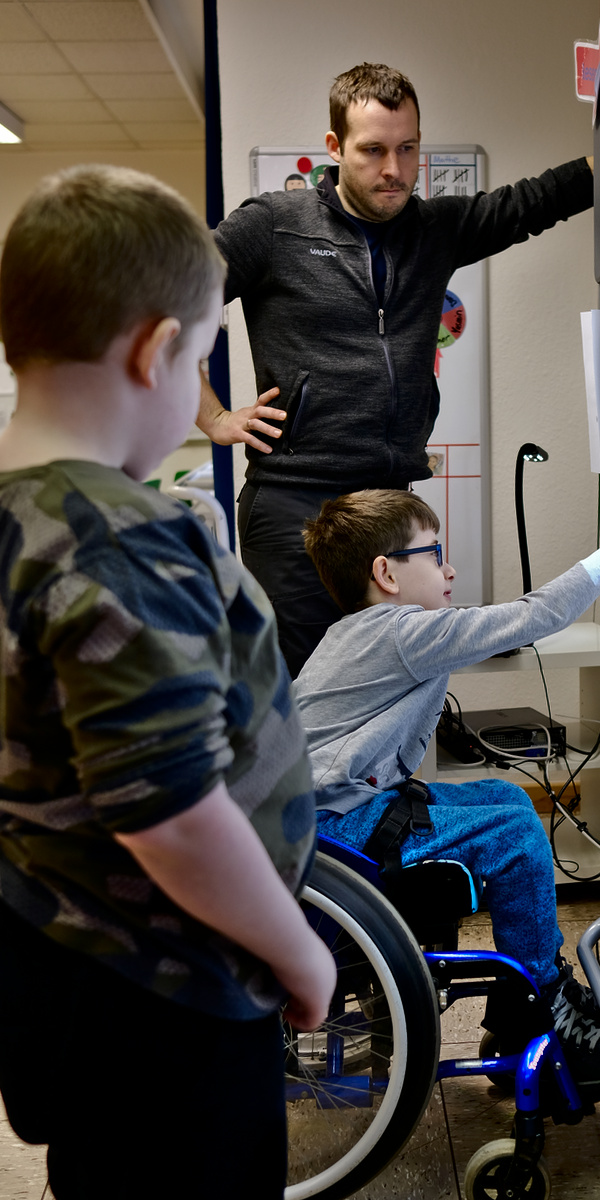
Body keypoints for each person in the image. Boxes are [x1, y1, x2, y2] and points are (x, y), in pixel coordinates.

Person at [0, 165, 336, 1200]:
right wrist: (302, 956)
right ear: (156, 350)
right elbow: (172, 816)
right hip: (165, 992)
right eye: (198, 361)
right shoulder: (121, 542)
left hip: (57, 950)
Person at [197, 61, 595, 678]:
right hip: (294, 505)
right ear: (334, 147)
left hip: (388, 507)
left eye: (408, 149)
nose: (394, 170)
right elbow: (159, 306)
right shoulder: (274, 225)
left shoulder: (434, 229)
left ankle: (388, 783)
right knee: (309, 697)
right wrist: (214, 417)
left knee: (391, 684)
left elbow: (532, 203)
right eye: (374, 150)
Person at [294, 485, 600, 1103]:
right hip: (337, 839)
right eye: (434, 552)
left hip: (322, 824)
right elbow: (535, 615)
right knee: (517, 830)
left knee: (503, 797)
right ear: (385, 573)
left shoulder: (356, 633)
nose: (448, 568)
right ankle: (542, 1008)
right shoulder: (401, 633)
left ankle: (526, 998)